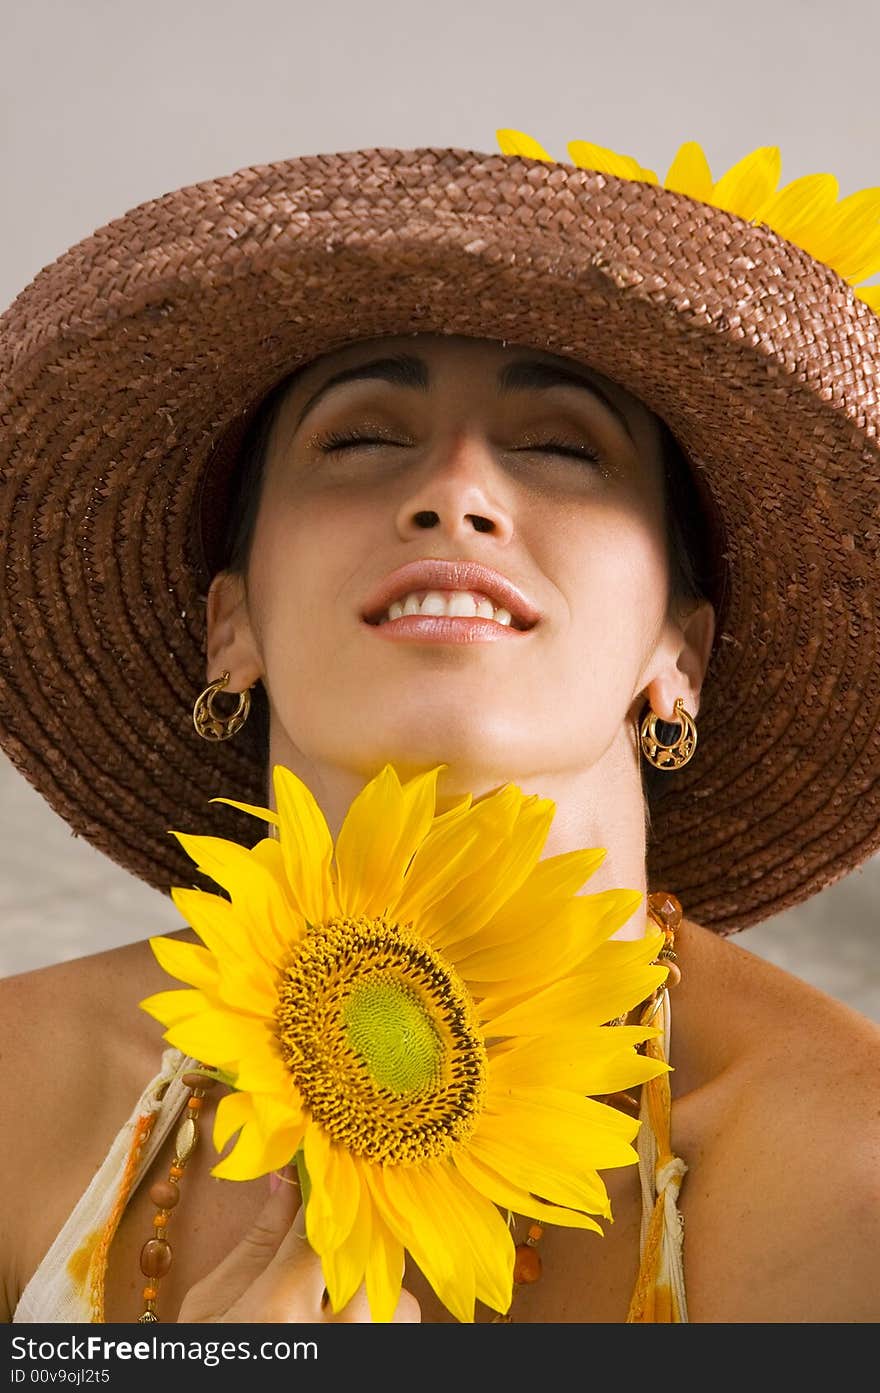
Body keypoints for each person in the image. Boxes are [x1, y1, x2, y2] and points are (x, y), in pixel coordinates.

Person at [0, 132, 878, 1327]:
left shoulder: (851, 1175)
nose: (455, 489)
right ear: (229, 628)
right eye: (361, 436)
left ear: (682, 654)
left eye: (562, 447)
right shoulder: (16, 1088)